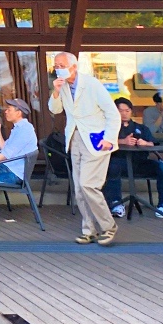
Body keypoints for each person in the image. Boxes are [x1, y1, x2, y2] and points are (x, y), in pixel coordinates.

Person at [48, 52, 121, 245]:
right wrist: (55, 92)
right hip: (74, 138)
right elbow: (55, 110)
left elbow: (112, 113)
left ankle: (108, 226)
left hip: (96, 139)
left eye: (61, 64)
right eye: (55, 65)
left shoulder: (92, 84)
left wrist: (109, 138)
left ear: (73, 66)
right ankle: (89, 229)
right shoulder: (62, 86)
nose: (58, 68)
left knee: (89, 184)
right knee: (80, 188)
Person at [103, 97, 163, 221]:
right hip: (119, 163)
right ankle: (116, 203)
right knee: (112, 166)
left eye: (127, 110)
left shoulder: (141, 128)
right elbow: (102, 142)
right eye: (120, 110)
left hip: (139, 163)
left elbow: (153, 144)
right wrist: (123, 141)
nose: (124, 113)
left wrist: (145, 143)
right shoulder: (109, 128)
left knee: (162, 168)